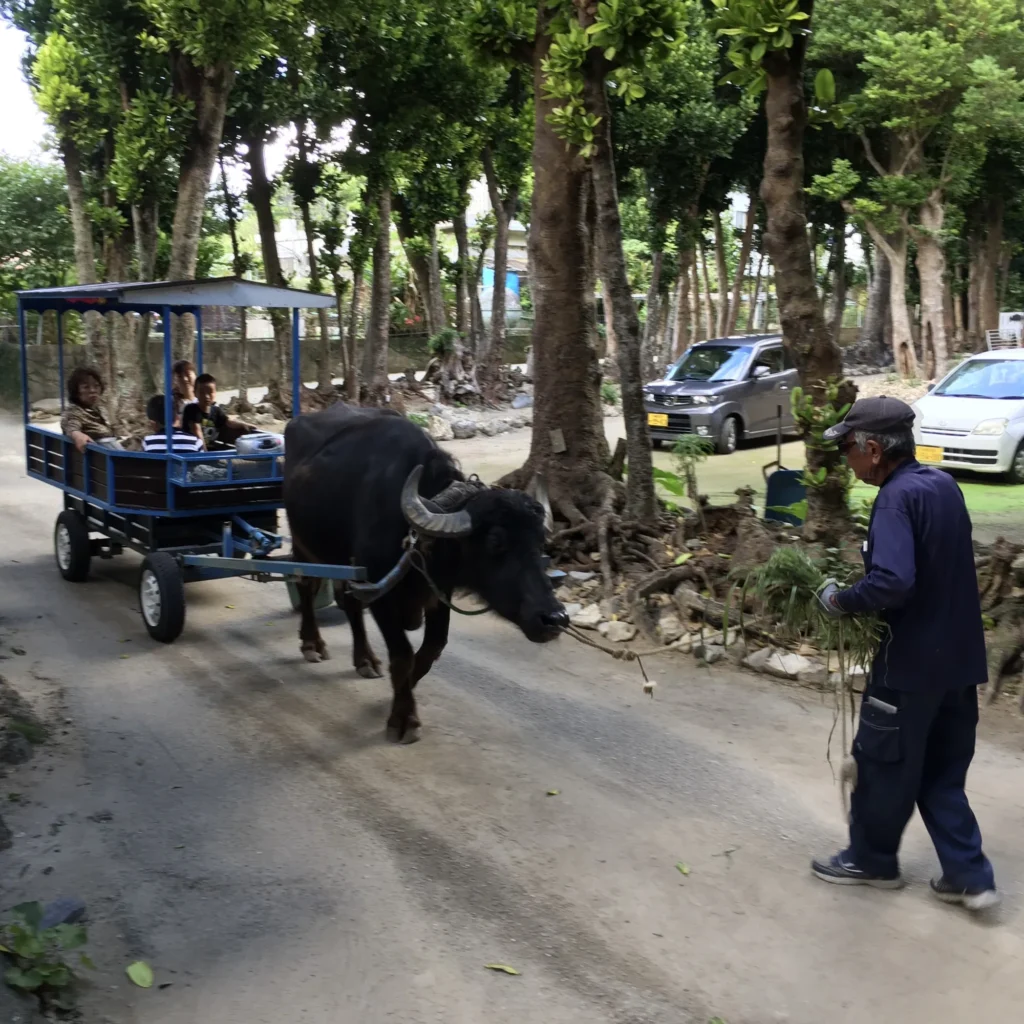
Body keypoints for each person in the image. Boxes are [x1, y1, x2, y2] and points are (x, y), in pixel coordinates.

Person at [812, 396, 998, 911]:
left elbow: (892, 581)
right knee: (941, 772)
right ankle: (970, 877)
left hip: (910, 665)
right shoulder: (942, 485)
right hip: (959, 663)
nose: (846, 458)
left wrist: (840, 601)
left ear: (874, 449)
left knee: (881, 763)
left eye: (848, 448)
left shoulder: (895, 499)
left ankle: (871, 860)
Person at [181, 373, 255, 449]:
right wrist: (204, 453)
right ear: (195, 393)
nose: (206, 396)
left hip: (210, 450)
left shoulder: (216, 410)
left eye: (210, 392)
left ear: (215, 392)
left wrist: (245, 425)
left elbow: (229, 422)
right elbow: (197, 431)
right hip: (192, 450)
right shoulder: (191, 409)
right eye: (202, 392)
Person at [60, 366, 122, 452]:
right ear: (76, 392)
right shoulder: (74, 411)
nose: (93, 390)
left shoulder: (97, 409)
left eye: (96, 386)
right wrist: (77, 435)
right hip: (104, 458)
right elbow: (71, 425)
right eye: (86, 387)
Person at [171, 359, 197, 427]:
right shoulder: (171, 404)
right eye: (180, 376)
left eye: (188, 374)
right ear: (175, 381)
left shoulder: (204, 399)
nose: (185, 379)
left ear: (195, 375)